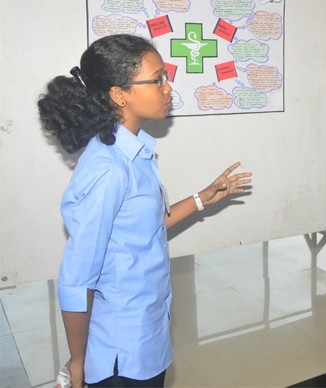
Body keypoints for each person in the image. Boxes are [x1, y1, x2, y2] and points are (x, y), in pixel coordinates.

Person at [38, 34, 252, 388]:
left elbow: (147, 228)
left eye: (165, 77)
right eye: (157, 80)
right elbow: (76, 281)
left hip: (147, 333)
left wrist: (203, 197)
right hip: (121, 354)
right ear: (119, 94)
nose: (168, 89)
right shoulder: (109, 170)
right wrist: (78, 362)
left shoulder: (133, 153)